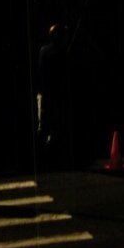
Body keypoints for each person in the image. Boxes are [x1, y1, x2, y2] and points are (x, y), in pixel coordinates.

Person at [36, 23, 72, 163]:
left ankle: (45, 153)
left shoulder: (44, 50)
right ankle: (49, 154)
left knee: (44, 125)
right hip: (53, 95)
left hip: (44, 94)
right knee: (54, 125)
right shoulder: (57, 53)